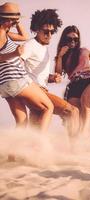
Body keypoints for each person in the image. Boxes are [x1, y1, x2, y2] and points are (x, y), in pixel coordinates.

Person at [21, 9, 79, 137]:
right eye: (45, 31)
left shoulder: (43, 48)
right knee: (72, 111)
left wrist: (51, 78)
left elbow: (37, 74)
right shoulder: (30, 45)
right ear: (36, 29)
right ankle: (76, 149)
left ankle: (19, 154)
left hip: (39, 90)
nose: (49, 35)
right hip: (35, 91)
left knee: (34, 131)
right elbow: (17, 64)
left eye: (52, 32)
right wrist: (27, 87)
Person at [0, 2, 54, 133]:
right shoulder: (0, 33)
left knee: (22, 121)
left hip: (5, 84)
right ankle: (40, 143)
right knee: (48, 107)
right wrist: (15, 53)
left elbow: (24, 37)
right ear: (7, 20)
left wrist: (17, 22)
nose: (15, 23)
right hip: (16, 79)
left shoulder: (5, 32)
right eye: (13, 20)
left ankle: (15, 152)